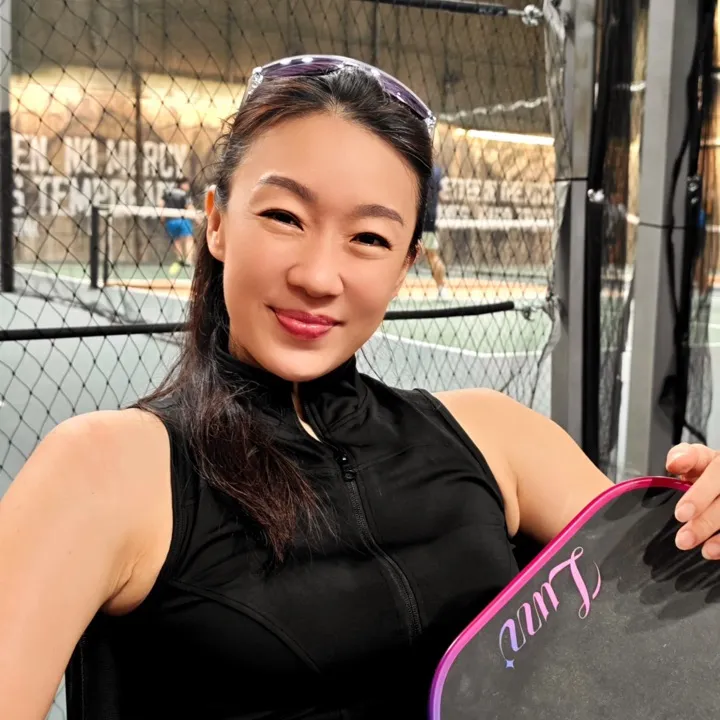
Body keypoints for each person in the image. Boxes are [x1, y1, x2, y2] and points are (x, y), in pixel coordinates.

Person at [0, 54, 719, 720]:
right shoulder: (102, 469)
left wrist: (708, 524)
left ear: (404, 266)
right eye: (284, 217)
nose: (319, 276)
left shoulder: (498, 437)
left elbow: (668, 633)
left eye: (369, 238)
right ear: (216, 224)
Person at [161, 176, 196, 277]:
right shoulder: (184, 194)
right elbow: (189, 207)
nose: (188, 187)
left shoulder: (167, 192)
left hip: (170, 222)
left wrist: (162, 219)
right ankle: (188, 261)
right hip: (182, 220)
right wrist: (197, 218)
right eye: (187, 184)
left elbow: (161, 205)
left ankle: (180, 259)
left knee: (176, 240)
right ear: (183, 184)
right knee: (189, 239)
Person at [421, 163, 447, 296]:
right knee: (432, 255)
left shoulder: (413, 165)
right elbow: (442, 195)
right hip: (429, 219)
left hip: (414, 218)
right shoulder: (436, 171)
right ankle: (442, 289)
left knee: (399, 256)